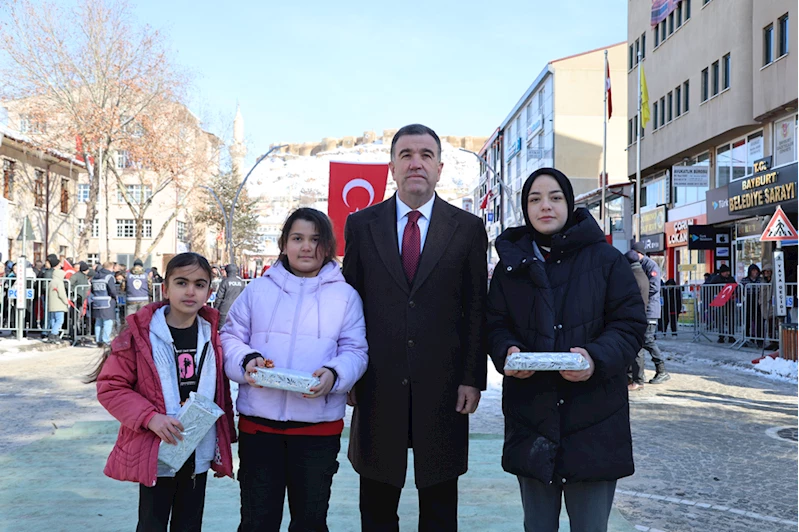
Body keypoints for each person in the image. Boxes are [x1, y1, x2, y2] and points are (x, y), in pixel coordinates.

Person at [343, 123, 488, 531]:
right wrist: (348, 374)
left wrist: (472, 378)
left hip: (444, 388)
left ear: (440, 168)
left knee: (439, 509)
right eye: (406, 155)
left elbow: (476, 308)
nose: (416, 163)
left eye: (426, 155)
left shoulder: (467, 228)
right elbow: (349, 306)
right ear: (392, 167)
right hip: (376, 384)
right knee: (376, 508)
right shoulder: (362, 225)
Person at [486, 168, 646, 532]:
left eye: (555, 197)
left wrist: (595, 358)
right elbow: (494, 325)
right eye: (535, 199)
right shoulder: (511, 267)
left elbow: (629, 325)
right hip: (533, 420)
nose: (545, 206)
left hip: (595, 420)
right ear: (525, 208)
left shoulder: (606, 260)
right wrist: (507, 352)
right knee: (538, 525)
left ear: (569, 204)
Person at [222, 208, 368, 531]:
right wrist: (247, 361)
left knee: (310, 522)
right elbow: (230, 337)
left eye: (316, 240)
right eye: (298, 238)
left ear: (328, 246)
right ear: (284, 244)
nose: (306, 247)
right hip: (259, 429)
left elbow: (356, 351)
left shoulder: (345, 296)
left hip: (317, 431)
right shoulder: (257, 291)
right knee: (257, 522)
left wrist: (334, 374)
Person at [91, 252, 235, 531]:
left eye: (199, 284)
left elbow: (221, 391)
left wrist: (225, 435)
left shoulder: (213, 334)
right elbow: (111, 387)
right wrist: (150, 417)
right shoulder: (140, 335)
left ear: (209, 292)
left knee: (189, 524)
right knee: (152, 523)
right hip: (156, 449)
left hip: (197, 447)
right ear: (165, 288)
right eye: (181, 283)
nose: (190, 291)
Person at [632, 242, 670, 384]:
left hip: (650, 309)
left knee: (647, 340)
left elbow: (654, 287)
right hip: (642, 308)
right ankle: (638, 374)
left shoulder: (650, 265)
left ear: (640, 253)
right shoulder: (637, 265)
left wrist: (639, 294)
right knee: (641, 342)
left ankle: (662, 370)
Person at [625, 250, 650, 391]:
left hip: (635, 316)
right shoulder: (640, 274)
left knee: (637, 349)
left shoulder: (634, 277)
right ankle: (633, 377)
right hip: (638, 315)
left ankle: (638, 380)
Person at [707, 264, 737, 343]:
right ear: (721, 272)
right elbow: (710, 288)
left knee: (731, 318)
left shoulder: (731, 279)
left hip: (730, 301)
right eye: (725, 272)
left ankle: (731, 336)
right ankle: (721, 336)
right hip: (720, 301)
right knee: (721, 318)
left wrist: (734, 295)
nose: (727, 273)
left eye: (728, 271)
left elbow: (736, 287)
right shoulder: (716, 279)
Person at [91, 262, 118, 347]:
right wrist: (116, 297)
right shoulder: (109, 277)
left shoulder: (95, 277)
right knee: (108, 321)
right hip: (107, 302)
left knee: (98, 322)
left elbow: (92, 290)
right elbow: (112, 290)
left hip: (96, 302)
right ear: (111, 267)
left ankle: (98, 340)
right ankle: (106, 340)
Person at [45, 254, 69, 343]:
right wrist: (66, 302)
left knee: (53, 319)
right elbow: (62, 294)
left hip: (52, 304)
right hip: (59, 304)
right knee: (59, 320)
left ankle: (53, 333)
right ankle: (54, 333)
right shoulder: (59, 282)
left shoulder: (51, 282)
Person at [213, 264, 245, 331]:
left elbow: (219, 297)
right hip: (237, 310)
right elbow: (244, 298)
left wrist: (215, 308)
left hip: (225, 310)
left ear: (227, 271)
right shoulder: (241, 282)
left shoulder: (225, 282)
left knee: (223, 330)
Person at [739, 264, 762, 343]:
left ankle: (759, 339)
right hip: (748, 301)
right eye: (753, 271)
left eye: (756, 270)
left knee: (759, 321)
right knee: (747, 320)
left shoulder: (760, 280)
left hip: (758, 301)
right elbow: (740, 290)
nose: (755, 272)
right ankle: (746, 338)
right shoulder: (744, 280)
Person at [70, 262, 92, 337]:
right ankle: (74, 333)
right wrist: (73, 291)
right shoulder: (76, 276)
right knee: (75, 317)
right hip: (76, 299)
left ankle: (77, 332)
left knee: (78, 317)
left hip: (81, 299)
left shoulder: (84, 276)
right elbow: (69, 283)